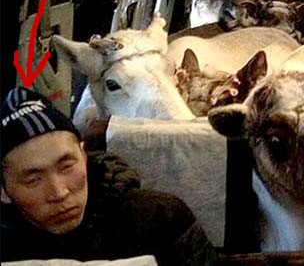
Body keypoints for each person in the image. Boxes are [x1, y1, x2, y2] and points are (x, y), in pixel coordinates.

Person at [0, 86, 217, 265]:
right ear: (4, 190)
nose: (59, 192)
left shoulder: (159, 219)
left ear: (83, 155)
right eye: (33, 180)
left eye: (66, 167)